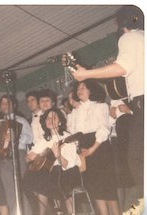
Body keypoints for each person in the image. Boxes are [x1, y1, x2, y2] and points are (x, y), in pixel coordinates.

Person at [72, 6, 144, 202]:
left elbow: (122, 67)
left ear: (120, 24)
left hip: (142, 104)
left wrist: (85, 74)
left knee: (138, 162)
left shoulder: (129, 38)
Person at [71, 80, 120, 214]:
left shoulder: (101, 106)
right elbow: (75, 133)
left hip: (100, 148)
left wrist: (92, 148)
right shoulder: (76, 111)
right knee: (95, 188)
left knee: (108, 188)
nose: (79, 90)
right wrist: (80, 149)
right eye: (78, 88)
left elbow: (104, 129)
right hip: (84, 150)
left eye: (83, 88)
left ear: (91, 90)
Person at [24, 108, 81, 215]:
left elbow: (68, 165)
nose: (50, 119)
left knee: (45, 179)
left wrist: (58, 155)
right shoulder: (44, 140)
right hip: (50, 175)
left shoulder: (67, 137)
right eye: (48, 118)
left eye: (54, 117)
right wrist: (32, 157)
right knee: (28, 180)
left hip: (68, 173)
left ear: (60, 122)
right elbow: (28, 158)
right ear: (45, 122)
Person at [0, 95, 33, 215]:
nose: (5, 105)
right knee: (10, 190)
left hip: (18, 154)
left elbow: (29, 138)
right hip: (4, 158)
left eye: (8, 103)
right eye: (3, 103)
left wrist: (15, 139)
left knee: (17, 188)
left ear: (14, 105)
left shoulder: (21, 120)